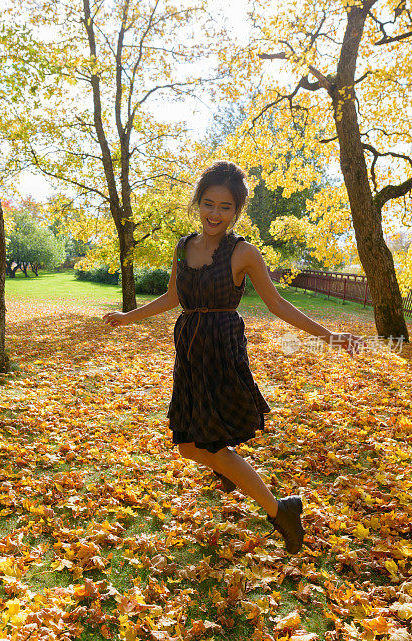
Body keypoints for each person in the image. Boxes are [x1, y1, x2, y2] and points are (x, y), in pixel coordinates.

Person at [103, 161, 365, 554]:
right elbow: (174, 298)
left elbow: (277, 304)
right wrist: (129, 316)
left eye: (225, 207)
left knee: (198, 445)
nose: (214, 213)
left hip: (222, 351)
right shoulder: (183, 247)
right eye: (208, 203)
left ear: (237, 211)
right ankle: (228, 470)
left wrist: (330, 335)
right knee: (193, 444)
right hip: (189, 349)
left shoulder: (244, 253)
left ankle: (280, 510)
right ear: (198, 203)